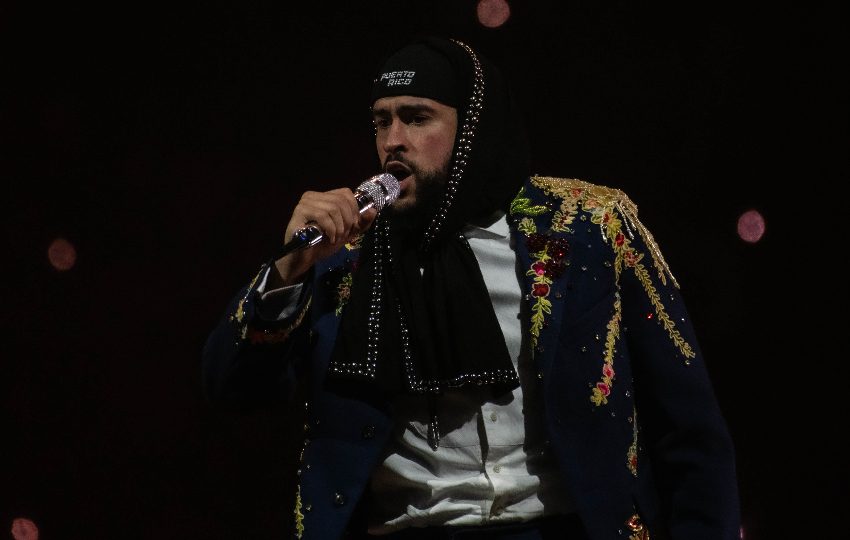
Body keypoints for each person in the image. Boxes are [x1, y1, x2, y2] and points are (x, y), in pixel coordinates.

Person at [202, 35, 741, 540]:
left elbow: (688, 429)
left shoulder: (588, 228)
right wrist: (290, 269)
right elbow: (233, 389)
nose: (393, 141)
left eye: (417, 118)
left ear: (472, 127)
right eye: (381, 121)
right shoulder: (344, 251)